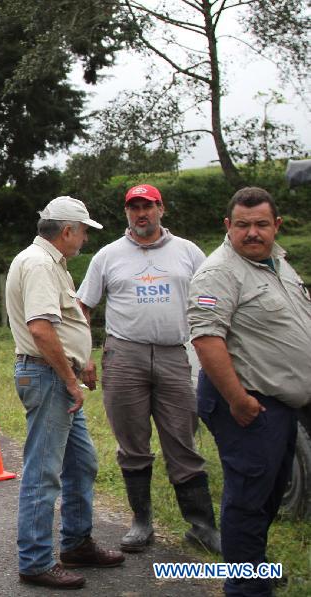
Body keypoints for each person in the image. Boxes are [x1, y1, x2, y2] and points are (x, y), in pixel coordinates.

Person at [77, 184, 219, 554]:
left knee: (182, 440)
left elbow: (210, 300)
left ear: (162, 209)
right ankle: (141, 523)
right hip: (124, 357)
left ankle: (202, 526)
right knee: (132, 443)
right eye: (134, 207)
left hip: (176, 354)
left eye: (148, 206)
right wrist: (84, 354)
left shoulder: (188, 252)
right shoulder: (107, 256)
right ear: (127, 213)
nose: (142, 213)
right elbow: (82, 307)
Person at [188, 187, 311, 596]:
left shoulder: (279, 264)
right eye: (243, 225)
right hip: (249, 403)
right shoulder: (218, 272)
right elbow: (207, 340)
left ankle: (253, 568)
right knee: (247, 500)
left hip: (280, 404)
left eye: (261, 224)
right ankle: (245, 587)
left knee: (268, 496)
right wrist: (238, 400)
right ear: (228, 226)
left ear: (276, 226)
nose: (252, 233)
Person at [6, 196, 124, 590]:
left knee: (82, 462)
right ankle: (36, 561)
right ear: (68, 230)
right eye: (84, 231)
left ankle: (76, 543)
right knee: (44, 472)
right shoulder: (40, 264)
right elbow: (41, 328)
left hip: (55, 374)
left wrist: (80, 360)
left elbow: (64, 324)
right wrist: (70, 379)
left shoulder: (49, 264)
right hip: (48, 377)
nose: (85, 240)